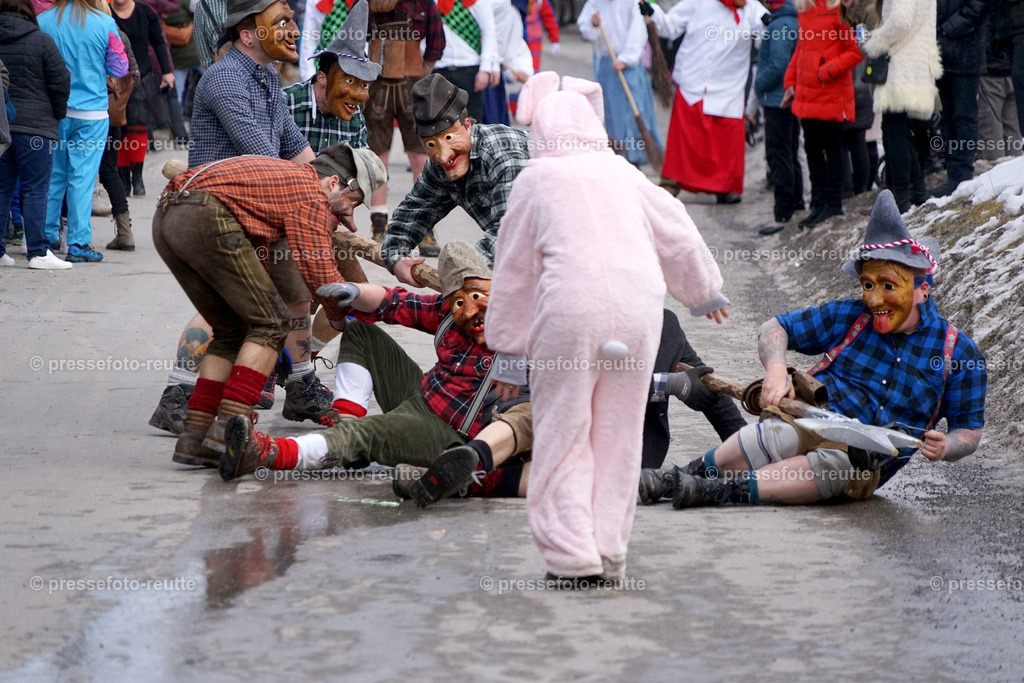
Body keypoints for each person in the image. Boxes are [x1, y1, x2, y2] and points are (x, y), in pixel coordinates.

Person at [481, 72, 728, 583]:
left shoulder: (534, 180)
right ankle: (610, 549)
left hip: (571, 316)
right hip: (639, 317)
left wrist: (507, 350)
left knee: (563, 430)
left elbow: (513, 273)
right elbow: (675, 225)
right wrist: (705, 292)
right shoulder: (624, 173)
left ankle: (572, 555)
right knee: (619, 436)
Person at [640, 190, 986, 508]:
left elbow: (969, 430)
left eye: (888, 286)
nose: (874, 298)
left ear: (922, 289)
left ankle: (718, 491)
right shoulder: (850, 316)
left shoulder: (959, 354)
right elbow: (775, 328)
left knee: (836, 463)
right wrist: (776, 370)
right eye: (868, 284)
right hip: (808, 422)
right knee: (778, 434)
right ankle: (678, 478)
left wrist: (948, 448)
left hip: (860, 465)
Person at [154, 144, 386, 468]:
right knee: (273, 325)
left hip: (167, 217)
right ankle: (228, 428)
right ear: (335, 183)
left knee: (230, 331)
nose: (350, 214)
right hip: (204, 215)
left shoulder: (289, 181)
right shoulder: (311, 194)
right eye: (354, 200)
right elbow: (319, 271)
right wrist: (344, 315)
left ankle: (196, 436)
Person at [218, 240, 509, 480]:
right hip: (425, 398)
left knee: (364, 434)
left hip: (450, 435)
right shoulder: (446, 312)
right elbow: (392, 301)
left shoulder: (519, 331)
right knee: (360, 329)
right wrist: (355, 292)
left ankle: (262, 454)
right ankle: (344, 421)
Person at [399, 308, 748, 507]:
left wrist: (750, 445)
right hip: (557, 426)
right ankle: (463, 471)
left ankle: (455, 479)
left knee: (589, 481)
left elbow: (708, 390)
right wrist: (667, 385)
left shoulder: (666, 325)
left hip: (626, 452)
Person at [381, 73, 531, 286]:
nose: (443, 156)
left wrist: (459, 271)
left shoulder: (503, 156)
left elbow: (511, 234)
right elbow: (411, 215)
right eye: (431, 145)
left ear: (467, 125)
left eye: (449, 138)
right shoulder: (439, 168)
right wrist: (396, 256)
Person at [648, 0, 768, 203]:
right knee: (684, 140)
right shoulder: (696, 2)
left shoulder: (752, 9)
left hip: (728, 87)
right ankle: (671, 182)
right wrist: (652, 11)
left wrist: (773, 22)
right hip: (693, 82)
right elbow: (669, 26)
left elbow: (767, 34)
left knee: (727, 140)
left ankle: (726, 188)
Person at [38, 0, 129, 263]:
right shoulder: (104, 23)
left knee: (54, 175)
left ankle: (46, 235)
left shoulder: (44, 21)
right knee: (82, 178)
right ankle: (77, 242)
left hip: (55, 110)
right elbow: (119, 67)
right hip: (92, 112)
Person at [363, 0, 445, 248]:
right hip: (376, 85)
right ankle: (380, 225)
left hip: (413, 86)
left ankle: (424, 226)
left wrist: (423, 72)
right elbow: (353, 41)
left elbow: (437, 42)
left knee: (421, 157)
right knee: (379, 157)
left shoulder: (422, 2)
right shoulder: (365, 2)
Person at [0, 0, 72, 270]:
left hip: (2, 126)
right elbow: (61, 80)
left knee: (3, 188)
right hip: (35, 128)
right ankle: (39, 252)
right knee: (35, 189)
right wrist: (56, 113)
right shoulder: (41, 40)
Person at [783, 0, 862, 229]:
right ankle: (818, 204)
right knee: (812, 150)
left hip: (829, 94)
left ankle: (834, 203)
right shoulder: (805, 9)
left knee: (832, 149)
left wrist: (827, 70)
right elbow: (802, 48)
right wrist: (790, 80)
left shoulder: (838, 8)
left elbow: (855, 51)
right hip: (807, 95)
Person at [861, 0, 941, 213]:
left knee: (894, 132)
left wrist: (875, 41)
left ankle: (903, 199)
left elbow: (900, 21)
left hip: (901, 65)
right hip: (913, 63)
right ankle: (917, 190)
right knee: (900, 132)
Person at [577, 0, 661, 167]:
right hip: (608, 64)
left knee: (634, 111)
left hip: (629, 66)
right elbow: (584, 26)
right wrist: (593, 24)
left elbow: (637, 30)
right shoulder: (596, 2)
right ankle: (617, 154)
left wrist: (627, 58)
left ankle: (636, 158)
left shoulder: (632, 2)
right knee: (612, 113)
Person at [755, 0, 804, 236]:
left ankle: (782, 214)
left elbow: (779, 64)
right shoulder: (793, 20)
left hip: (777, 100)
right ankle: (795, 205)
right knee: (790, 152)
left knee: (778, 155)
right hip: (789, 99)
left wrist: (758, 83)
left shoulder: (780, 25)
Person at [931, 0, 988, 197]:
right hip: (942, 53)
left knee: (964, 116)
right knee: (948, 116)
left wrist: (945, 30)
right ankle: (953, 172)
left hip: (966, 51)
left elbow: (977, 7)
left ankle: (961, 173)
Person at [431, 0, 499, 123]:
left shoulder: (479, 2)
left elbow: (489, 32)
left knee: (472, 121)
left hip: (470, 70)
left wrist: (485, 69)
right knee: (439, 122)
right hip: (439, 69)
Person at [978, 23, 1022, 161]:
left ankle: (994, 173)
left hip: (991, 67)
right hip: (1014, 63)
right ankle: (1016, 175)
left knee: (991, 128)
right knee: (1013, 127)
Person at [512, 0, 560, 72]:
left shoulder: (540, 1)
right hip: (516, 39)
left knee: (533, 71)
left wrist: (554, 39)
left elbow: (549, 18)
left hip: (534, 40)